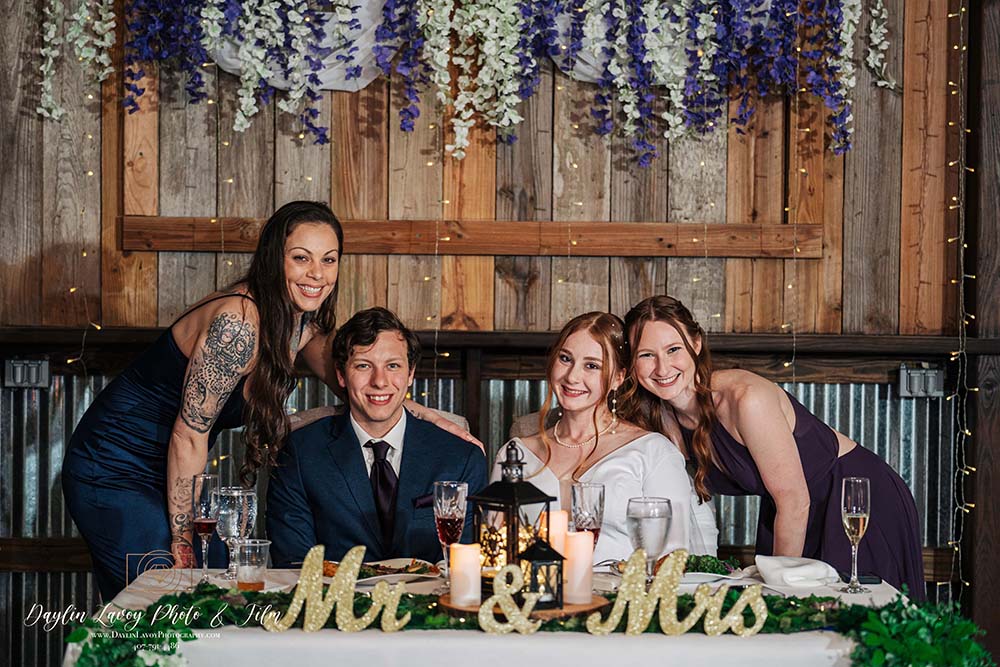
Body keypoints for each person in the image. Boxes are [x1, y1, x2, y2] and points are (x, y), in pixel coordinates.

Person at [62, 201, 476, 601]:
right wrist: (183, 534)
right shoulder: (238, 324)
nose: (317, 273)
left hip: (174, 469)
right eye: (301, 258)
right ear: (274, 259)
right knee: (168, 590)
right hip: (114, 466)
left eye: (329, 260)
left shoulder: (297, 325)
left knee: (221, 588)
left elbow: (364, 389)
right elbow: (189, 435)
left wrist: (431, 420)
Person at [620, 295, 926, 599]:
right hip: (786, 515)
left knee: (853, 625)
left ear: (696, 344)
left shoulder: (745, 398)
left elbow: (794, 501)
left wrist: (779, 590)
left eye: (673, 349)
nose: (662, 367)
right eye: (646, 355)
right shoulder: (664, 417)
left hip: (850, 502)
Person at [491, 312, 718, 565]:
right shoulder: (516, 454)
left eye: (592, 366)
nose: (572, 377)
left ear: (618, 378)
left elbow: (674, 560)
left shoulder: (652, 452)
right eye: (565, 359)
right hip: (531, 597)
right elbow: (493, 548)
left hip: (624, 599)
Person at [267, 307, 488, 566]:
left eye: (392, 366)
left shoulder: (461, 457)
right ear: (341, 374)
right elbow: (293, 561)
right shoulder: (301, 453)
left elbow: (469, 559)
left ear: (411, 374)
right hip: (334, 602)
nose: (379, 381)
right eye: (363, 366)